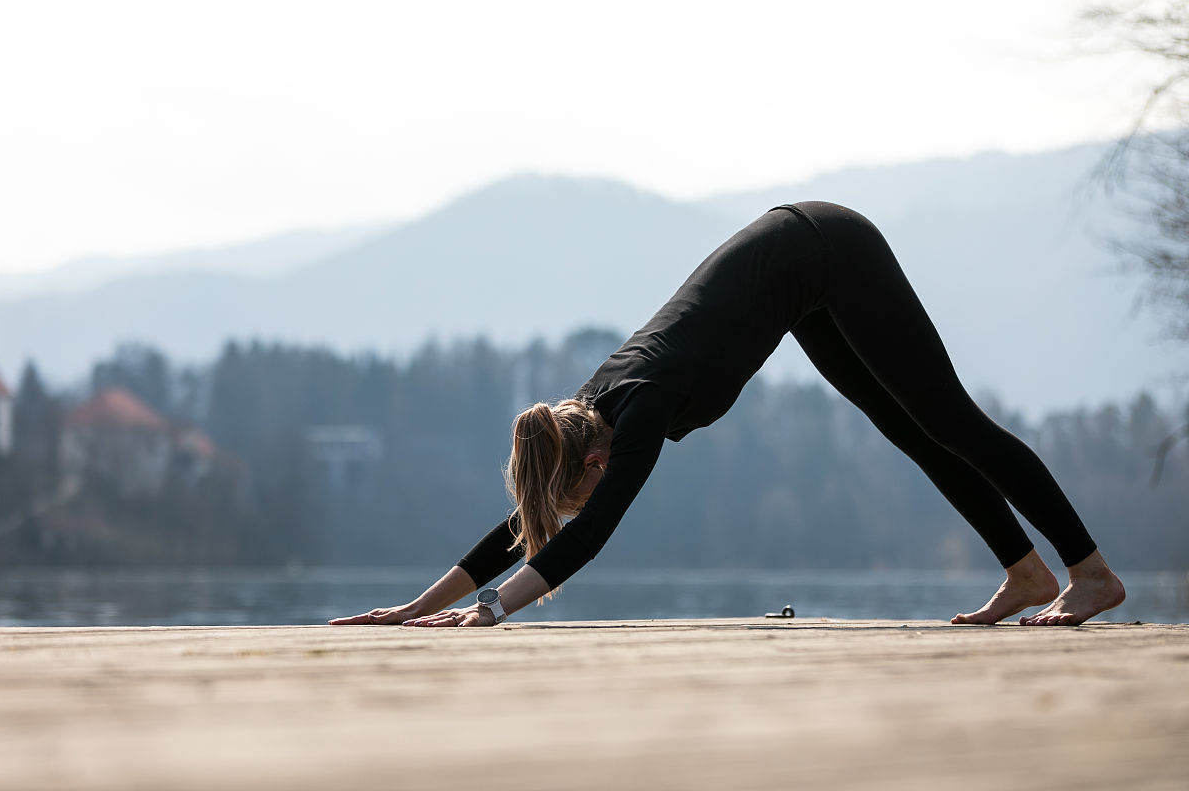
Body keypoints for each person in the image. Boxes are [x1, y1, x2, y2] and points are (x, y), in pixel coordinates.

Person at [330, 202, 1125, 629]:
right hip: (798, 275)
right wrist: (416, 608)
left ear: (592, 461)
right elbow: (526, 522)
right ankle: (1026, 574)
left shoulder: (636, 408)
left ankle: (1090, 573)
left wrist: (492, 609)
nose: (586, 490)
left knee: (950, 419)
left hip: (829, 247)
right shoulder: (582, 414)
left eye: (581, 485)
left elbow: (594, 531)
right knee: (911, 432)